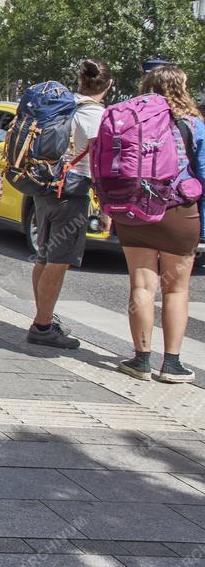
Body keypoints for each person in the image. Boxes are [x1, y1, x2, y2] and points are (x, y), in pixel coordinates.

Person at [113, 65, 205, 383]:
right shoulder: (193, 124)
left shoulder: (132, 120)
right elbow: (203, 171)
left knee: (141, 285)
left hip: (135, 210)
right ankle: (172, 364)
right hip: (180, 211)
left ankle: (140, 360)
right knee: (176, 290)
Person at [27, 59, 112, 350]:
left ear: (80, 81)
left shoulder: (62, 105)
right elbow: (100, 164)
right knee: (58, 261)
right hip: (72, 192)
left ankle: (44, 320)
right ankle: (42, 326)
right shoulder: (97, 116)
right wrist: (104, 206)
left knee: (43, 256)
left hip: (43, 186)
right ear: (108, 85)